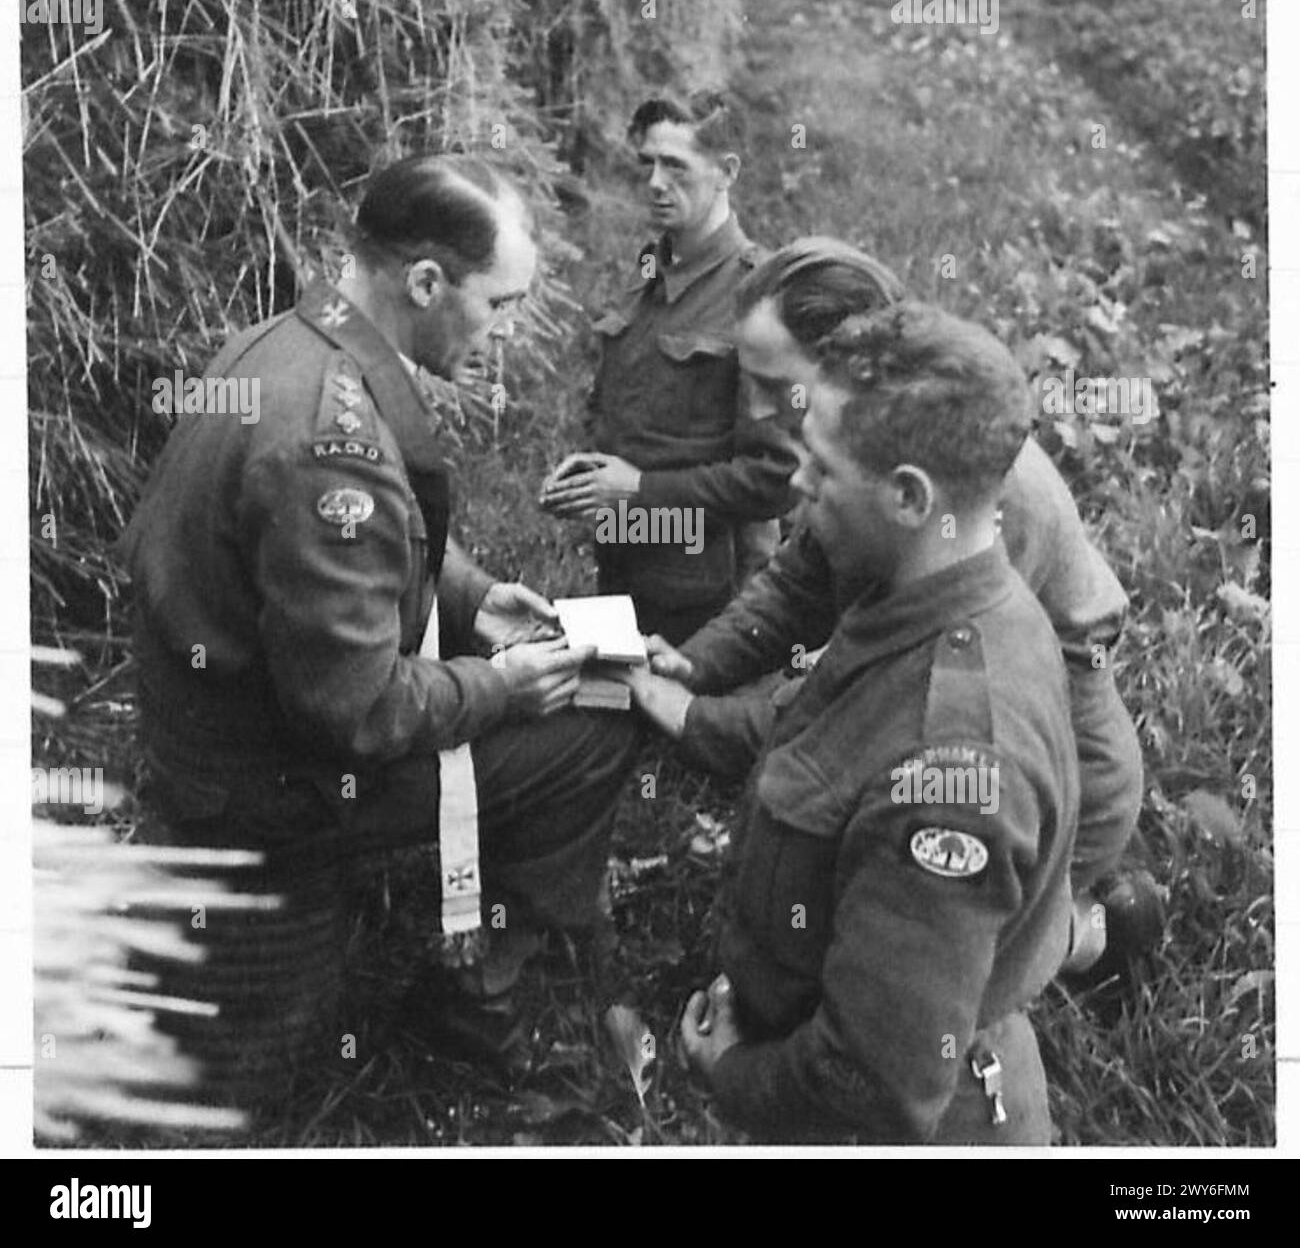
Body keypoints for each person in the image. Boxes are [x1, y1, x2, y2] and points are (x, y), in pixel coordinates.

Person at [117, 154, 638, 1065]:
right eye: (501, 305)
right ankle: (476, 1000)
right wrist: (503, 686)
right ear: (426, 281)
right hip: (261, 787)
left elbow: (353, 550)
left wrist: (470, 602)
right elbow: (356, 713)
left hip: (209, 733)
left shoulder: (288, 341)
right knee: (595, 725)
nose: (508, 334)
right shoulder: (332, 436)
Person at [629, 304, 1079, 1143]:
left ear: (910, 496)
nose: (795, 485)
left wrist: (731, 1071)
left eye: (822, 470)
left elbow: (869, 1082)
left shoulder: (953, 771)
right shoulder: (923, 593)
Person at [645, 237, 1153, 967]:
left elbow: (867, 700)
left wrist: (691, 717)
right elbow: (796, 585)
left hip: (1046, 782)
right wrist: (692, 665)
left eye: (772, 384)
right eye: (744, 379)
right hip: (957, 753)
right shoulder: (866, 453)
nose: (755, 408)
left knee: (973, 956)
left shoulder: (983, 507)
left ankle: (1106, 932)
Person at [539, 90, 798, 643]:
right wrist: (588, 474)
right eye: (648, 164)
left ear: (726, 171)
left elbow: (778, 478)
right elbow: (623, 399)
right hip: (628, 559)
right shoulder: (652, 269)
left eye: (676, 166)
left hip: (712, 596)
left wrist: (638, 489)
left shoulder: (756, 295)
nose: (655, 183)